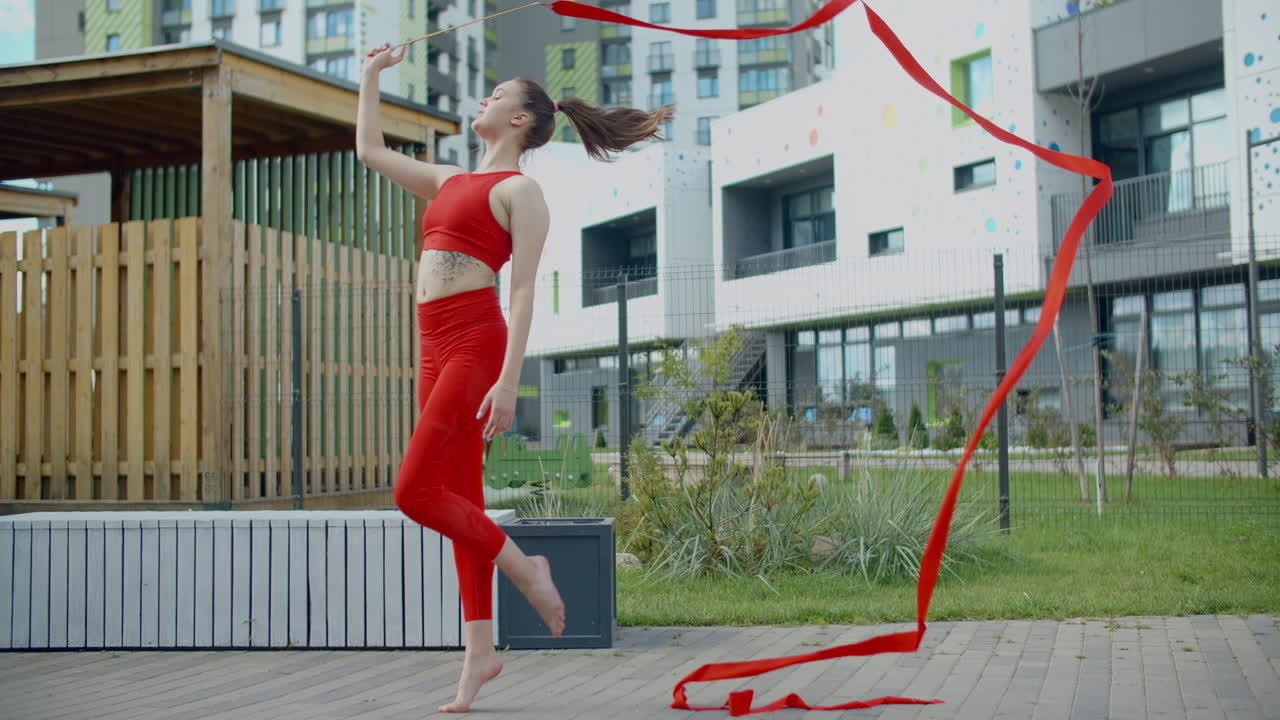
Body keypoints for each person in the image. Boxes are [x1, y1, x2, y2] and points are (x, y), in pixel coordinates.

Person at [357, 42, 673, 713]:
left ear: (523, 120)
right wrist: (369, 77)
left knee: (413, 492)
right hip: (431, 344)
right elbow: (370, 153)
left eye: (497, 95)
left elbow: (523, 291)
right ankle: (480, 654)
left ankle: (527, 568)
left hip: (476, 341)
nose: (485, 100)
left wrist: (508, 380)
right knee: (459, 493)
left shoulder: (521, 191)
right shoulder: (448, 179)